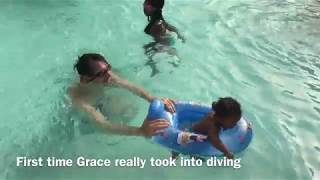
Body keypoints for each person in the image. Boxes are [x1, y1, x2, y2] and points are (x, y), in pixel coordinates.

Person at [68, 53, 175, 137]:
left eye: (108, 68)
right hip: (84, 123)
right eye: (101, 74)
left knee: (127, 108)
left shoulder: (107, 76)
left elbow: (132, 87)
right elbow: (104, 126)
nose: (109, 75)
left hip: (102, 101)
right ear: (85, 79)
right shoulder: (79, 98)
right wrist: (140, 131)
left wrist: (155, 100)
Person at [172, 97, 242, 159]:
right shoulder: (214, 127)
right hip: (190, 134)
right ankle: (175, 155)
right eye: (233, 122)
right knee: (187, 152)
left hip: (192, 127)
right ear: (222, 119)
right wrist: (227, 152)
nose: (235, 124)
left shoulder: (214, 115)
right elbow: (215, 140)